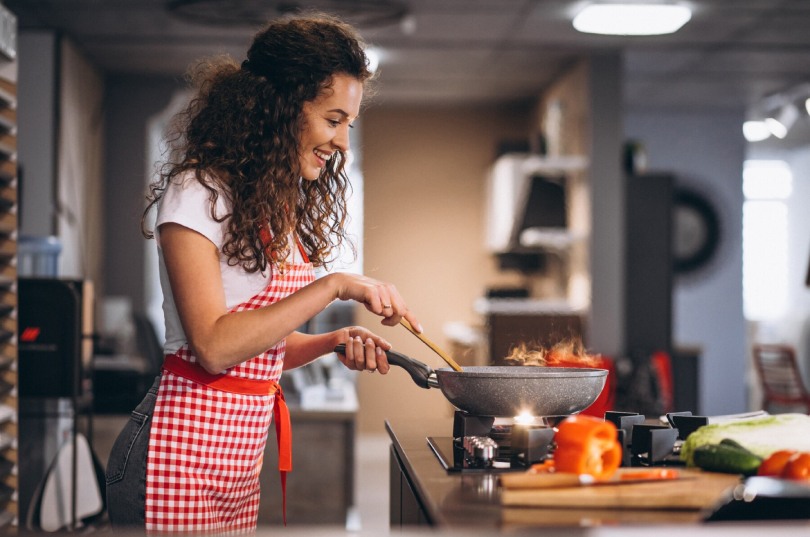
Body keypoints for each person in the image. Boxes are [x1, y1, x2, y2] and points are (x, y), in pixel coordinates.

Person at [104, 13, 421, 534]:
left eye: (349, 124)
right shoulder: (198, 192)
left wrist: (332, 341)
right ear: (280, 109)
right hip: (174, 455)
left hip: (234, 466)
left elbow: (259, 347)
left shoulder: (268, 206)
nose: (342, 142)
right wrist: (336, 284)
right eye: (332, 119)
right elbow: (213, 346)